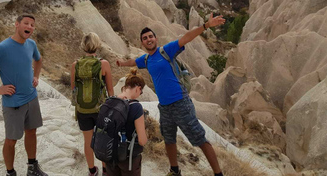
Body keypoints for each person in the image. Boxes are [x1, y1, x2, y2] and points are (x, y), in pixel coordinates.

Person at [116, 13, 225, 176]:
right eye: (145, 38)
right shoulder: (145, 60)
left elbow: (186, 37)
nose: (148, 39)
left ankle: (218, 174)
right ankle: (175, 170)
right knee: (169, 139)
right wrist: (122, 63)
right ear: (142, 42)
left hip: (181, 102)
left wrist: (206, 25)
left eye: (150, 36)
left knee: (199, 139)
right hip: (165, 107)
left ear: (156, 38)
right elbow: (134, 62)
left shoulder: (166, 51)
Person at [0, 14, 48, 176]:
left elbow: (39, 61)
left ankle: (32, 168)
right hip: (14, 103)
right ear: (17, 25)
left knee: (32, 132)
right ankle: (10, 172)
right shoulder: (1, 48)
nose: (29, 27)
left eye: (32, 25)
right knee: (11, 140)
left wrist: (36, 76)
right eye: (26, 23)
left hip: (31, 97)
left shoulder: (31, 44)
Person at [70, 32, 114, 176]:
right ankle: (105, 170)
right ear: (98, 45)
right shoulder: (103, 64)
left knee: (88, 141)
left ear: (83, 45)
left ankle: (91, 170)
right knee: (102, 140)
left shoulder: (75, 65)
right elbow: (110, 90)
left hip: (83, 110)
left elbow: (73, 90)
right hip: (100, 109)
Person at [105, 69, 147, 176]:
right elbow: (142, 141)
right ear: (138, 88)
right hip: (128, 159)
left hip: (110, 155)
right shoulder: (136, 107)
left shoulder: (110, 101)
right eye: (141, 92)